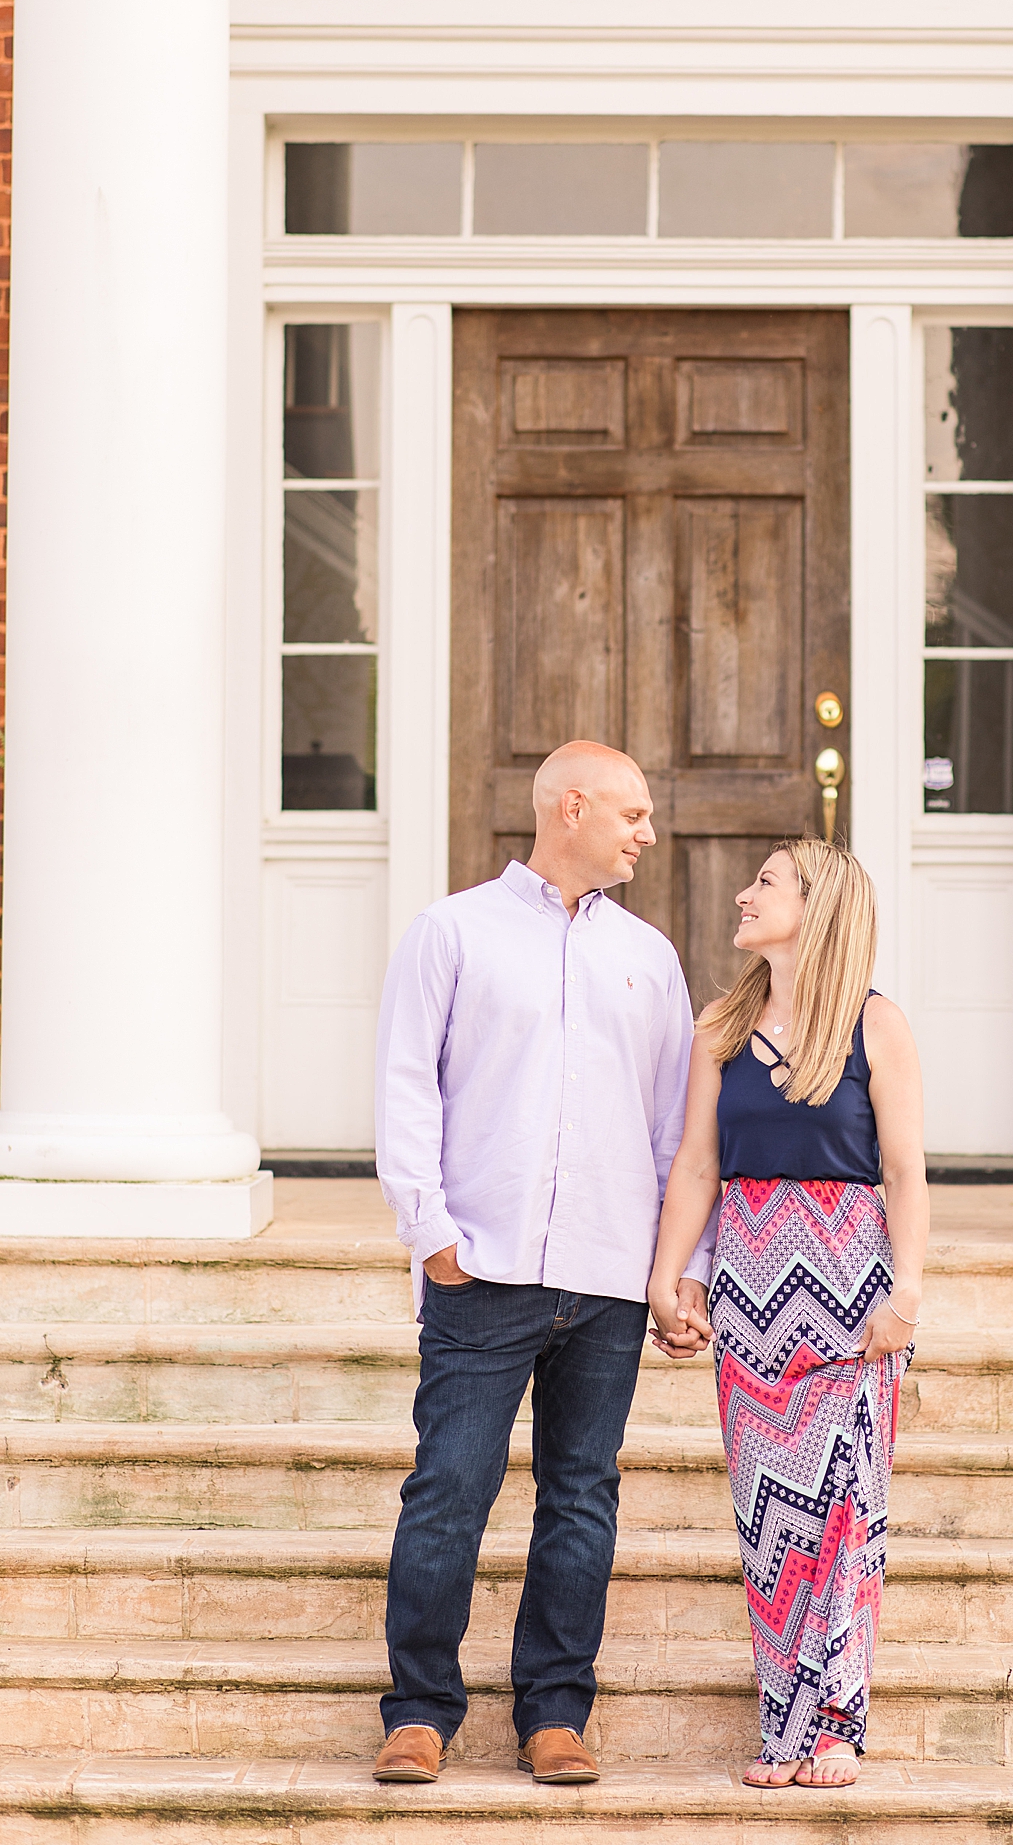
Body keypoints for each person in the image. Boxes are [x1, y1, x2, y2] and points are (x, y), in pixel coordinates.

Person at [372, 740, 712, 1787]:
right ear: (573, 807)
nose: (647, 834)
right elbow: (404, 1085)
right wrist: (431, 1235)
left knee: (581, 1496)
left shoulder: (649, 956)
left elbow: (674, 1131)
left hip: (607, 1275)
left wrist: (671, 1267)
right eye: (634, 814)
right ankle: (420, 1710)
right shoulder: (454, 930)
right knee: (449, 1490)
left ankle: (555, 1711)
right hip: (485, 1264)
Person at [647, 838, 929, 1790]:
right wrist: (669, 1275)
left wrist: (909, 1292)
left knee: (845, 1514)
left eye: (766, 882)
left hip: (851, 1295)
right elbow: (695, 1164)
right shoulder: (721, 1026)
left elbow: (904, 1173)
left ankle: (838, 1724)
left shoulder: (875, 1025)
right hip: (751, 1296)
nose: (743, 893)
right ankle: (783, 1728)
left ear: (821, 904)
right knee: (771, 1527)